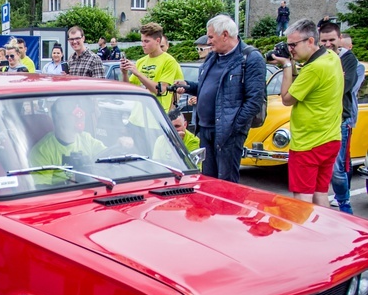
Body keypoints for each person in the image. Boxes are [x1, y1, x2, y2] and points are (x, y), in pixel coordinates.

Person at [174, 15, 265, 183]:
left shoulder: (250, 58)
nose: (208, 42)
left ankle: (227, 210)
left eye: (210, 37)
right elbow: (206, 88)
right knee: (208, 181)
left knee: (226, 182)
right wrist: (188, 86)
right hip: (205, 129)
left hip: (228, 133)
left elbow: (254, 100)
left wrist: (234, 127)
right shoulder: (213, 57)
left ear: (225, 35)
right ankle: (211, 210)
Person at [271, 18, 343, 206]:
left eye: (293, 45)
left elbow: (287, 99)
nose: (290, 50)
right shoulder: (331, 57)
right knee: (320, 193)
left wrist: (287, 65)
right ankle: (323, 233)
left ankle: (305, 234)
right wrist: (293, 63)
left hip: (308, 143)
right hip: (330, 137)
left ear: (310, 41)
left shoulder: (314, 69)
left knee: (302, 199)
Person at [319, 22, 359, 214]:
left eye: (332, 40)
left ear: (339, 38)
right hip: (321, 119)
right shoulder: (317, 58)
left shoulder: (348, 59)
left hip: (340, 119)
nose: (328, 44)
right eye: (324, 40)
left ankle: (345, 205)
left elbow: (344, 86)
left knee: (337, 169)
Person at [28, 98, 106, 184]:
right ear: (58, 118)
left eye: (79, 110)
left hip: (92, 191)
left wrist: (121, 145)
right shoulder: (41, 152)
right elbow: (42, 190)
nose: (79, 115)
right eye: (73, 111)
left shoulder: (87, 139)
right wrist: (69, 183)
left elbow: (108, 156)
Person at [121, 22, 183, 113]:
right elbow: (129, 89)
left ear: (157, 41)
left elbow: (160, 90)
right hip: (137, 116)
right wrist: (124, 73)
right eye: (142, 41)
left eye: (146, 41)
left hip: (157, 116)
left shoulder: (169, 61)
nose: (143, 45)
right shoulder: (141, 61)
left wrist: (138, 73)